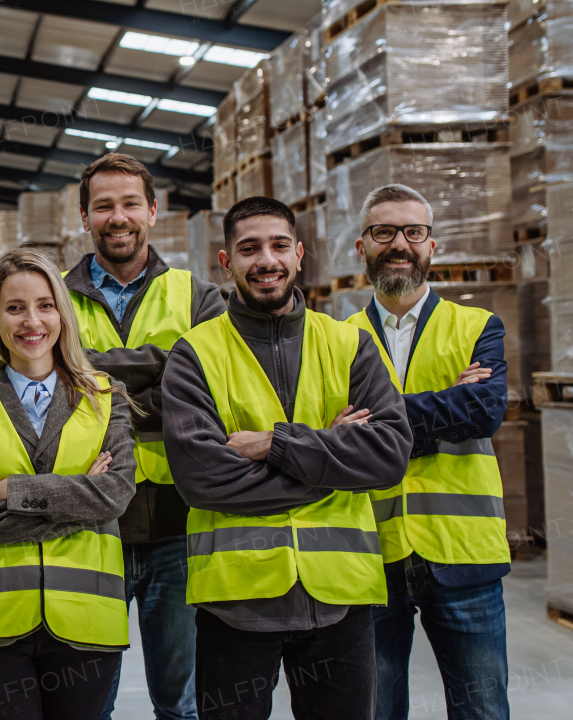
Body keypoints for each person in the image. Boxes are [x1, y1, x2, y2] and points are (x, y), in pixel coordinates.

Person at [162, 197, 413, 719]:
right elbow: (202, 478)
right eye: (249, 249)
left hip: (339, 598)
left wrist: (272, 444)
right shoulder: (194, 353)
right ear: (226, 263)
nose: (266, 260)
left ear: (299, 254)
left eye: (278, 246)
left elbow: (388, 455)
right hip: (236, 601)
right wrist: (332, 457)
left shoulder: (350, 344)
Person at [0, 248, 138, 720]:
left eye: (46, 305)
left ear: (63, 315)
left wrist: (14, 489)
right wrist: (74, 497)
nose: (32, 320)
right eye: (15, 307)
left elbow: (115, 495)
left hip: (86, 618)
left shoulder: (107, 398)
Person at [63, 153, 226, 720]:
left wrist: (99, 378)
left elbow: (205, 394)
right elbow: (56, 397)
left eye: (130, 203)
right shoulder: (53, 298)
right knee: (86, 703)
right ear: (85, 216)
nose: (118, 216)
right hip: (89, 527)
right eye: (103, 205)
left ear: (152, 212)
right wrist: (167, 363)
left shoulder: (197, 295)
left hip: (178, 529)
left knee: (180, 703)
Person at [344, 184, 512, 720]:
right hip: (370, 556)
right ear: (362, 246)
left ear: (432, 245)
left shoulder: (478, 325)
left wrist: (379, 418)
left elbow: (483, 412)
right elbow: (330, 438)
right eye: (384, 232)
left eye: (413, 232)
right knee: (374, 709)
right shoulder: (334, 337)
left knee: (482, 709)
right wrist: (445, 407)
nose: (400, 244)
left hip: (464, 555)